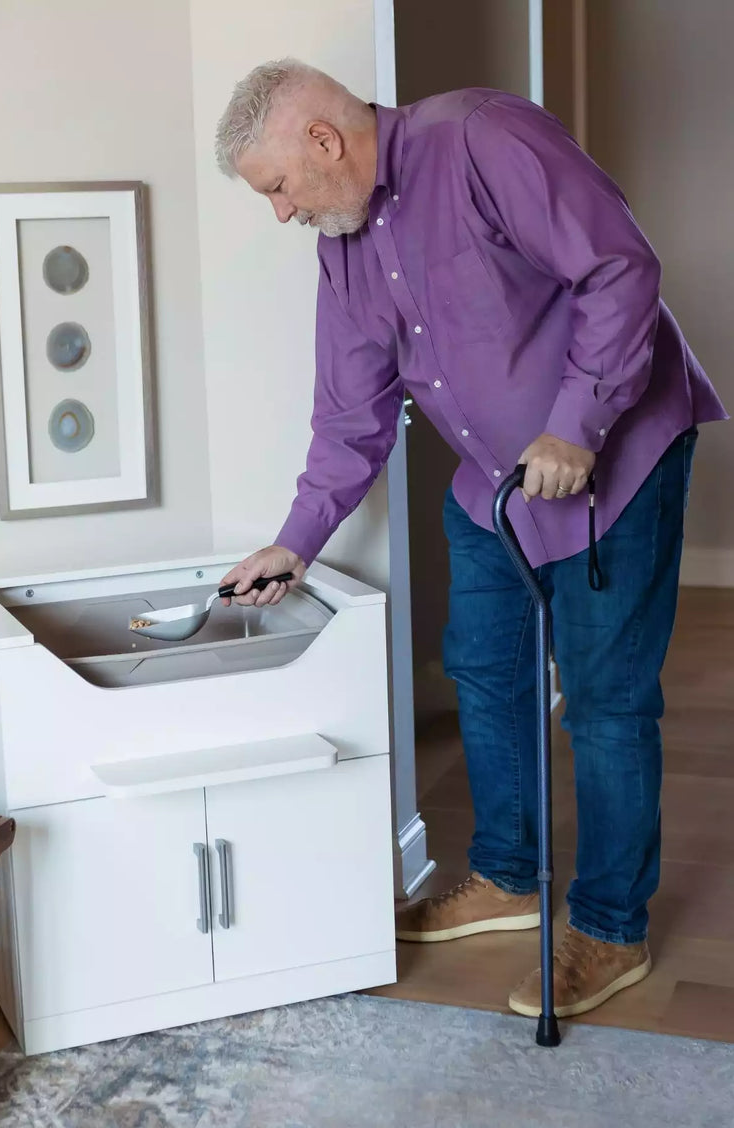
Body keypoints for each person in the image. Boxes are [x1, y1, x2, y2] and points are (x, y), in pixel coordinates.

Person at [213, 59, 728, 1019]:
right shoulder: (345, 245)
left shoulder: (485, 138)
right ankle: (508, 875)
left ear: (323, 142)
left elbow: (621, 268)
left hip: (613, 462)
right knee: (487, 671)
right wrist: (297, 541)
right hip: (493, 485)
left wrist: (578, 423)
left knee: (609, 705)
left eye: (277, 188)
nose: (280, 213)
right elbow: (350, 414)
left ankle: (612, 927)